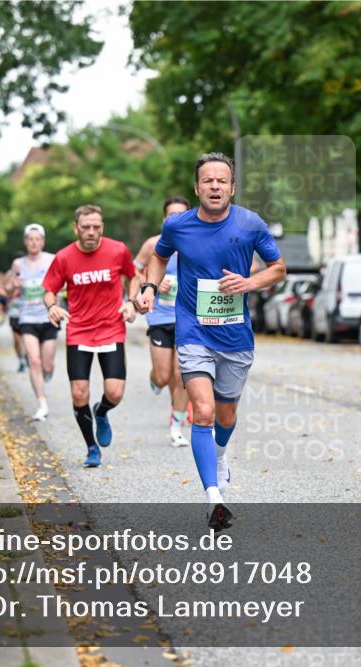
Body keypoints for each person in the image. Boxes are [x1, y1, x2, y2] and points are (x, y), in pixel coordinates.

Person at [136, 152, 286, 529]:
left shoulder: (250, 223)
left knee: (225, 415)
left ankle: (220, 455)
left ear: (232, 187)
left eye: (222, 180)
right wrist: (151, 287)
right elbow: (158, 256)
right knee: (201, 411)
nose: (215, 186)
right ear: (197, 187)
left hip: (235, 335)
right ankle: (213, 497)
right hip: (193, 331)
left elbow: (278, 268)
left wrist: (248, 283)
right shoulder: (178, 226)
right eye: (208, 180)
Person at [43, 205, 139, 468]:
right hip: (79, 331)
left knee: (115, 392)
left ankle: (102, 411)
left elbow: (133, 276)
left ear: (102, 228)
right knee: (79, 393)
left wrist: (131, 301)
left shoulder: (118, 250)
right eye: (86, 227)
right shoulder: (63, 258)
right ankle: (91, 448)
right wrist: (52, 306)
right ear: (76, 228)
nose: (91, 232)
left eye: (96, 227)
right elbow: (49, 289)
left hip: (111, 328)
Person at [134, 196, 192, 448]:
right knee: (162, 375)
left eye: (181, 214)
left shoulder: (195, 243)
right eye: (171, 214)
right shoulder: (153, 244)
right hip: (159, 317)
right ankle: (155, 380)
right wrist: (152, 282)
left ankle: (176, 425)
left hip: (188, 318)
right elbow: (133, 271)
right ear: (164, 218)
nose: (176, 218)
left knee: (182, 372)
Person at [12, 226, 57, 419]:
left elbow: (63, 282)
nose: (34, 242)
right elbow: (7, 288)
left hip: (48, 317)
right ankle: (42, 402)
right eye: (30, 239)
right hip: (27, 318)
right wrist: (12, 286)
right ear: (25, 241)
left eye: (37, 239)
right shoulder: (17, 264)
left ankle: (47, 373)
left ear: (43, 241)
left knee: (47, 365)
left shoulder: (52, 260)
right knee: (34, 360)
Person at [5, 251, 27, 373]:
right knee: (17, 339)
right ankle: (21, 360)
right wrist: (12, 287)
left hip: (28, 310)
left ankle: (28, 356)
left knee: (28, 338)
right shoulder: (10, 274)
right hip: (14, 310)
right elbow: (5, 290)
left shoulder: (31, 271)